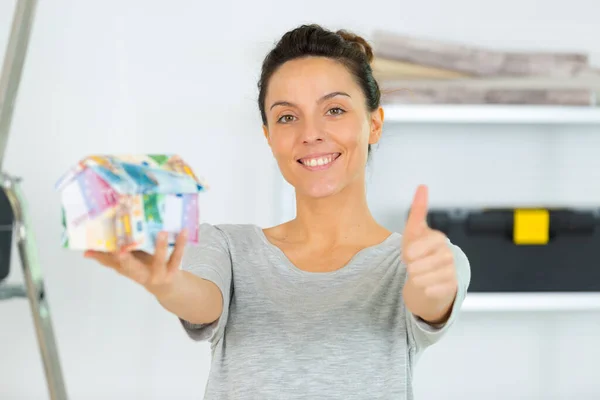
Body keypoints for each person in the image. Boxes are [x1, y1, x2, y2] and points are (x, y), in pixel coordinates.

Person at [85, 24, 471, 400]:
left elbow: (429, 302)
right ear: (269, 136)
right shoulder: (228, 247)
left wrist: (431, 283)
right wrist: (165, 284)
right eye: (287, 116)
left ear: (374, 124)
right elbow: (202, 302)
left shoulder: (421, 262)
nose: (310, 133)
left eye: (334, 110)